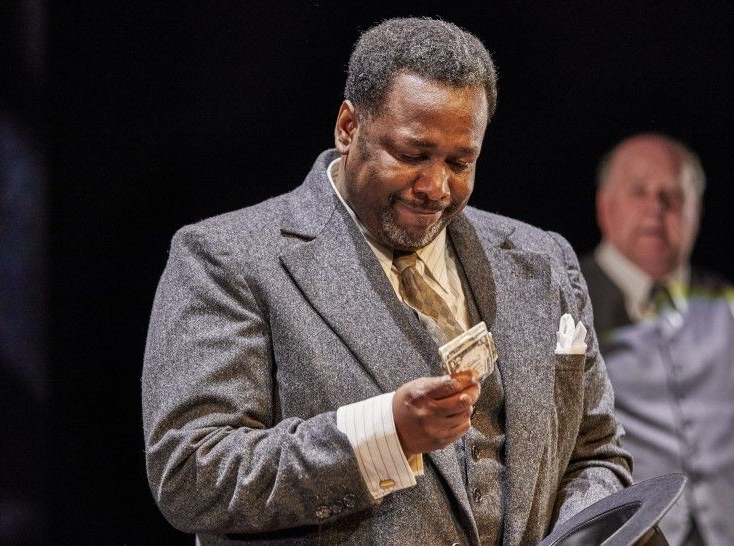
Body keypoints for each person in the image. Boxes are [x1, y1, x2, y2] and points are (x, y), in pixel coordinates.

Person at [142, 18, 632, 545]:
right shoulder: (228, 257)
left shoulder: (542, 258)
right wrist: (383, 435)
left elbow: (597, 454)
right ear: (348, 128)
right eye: (412, 155)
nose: (436, 187)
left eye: (460, 162)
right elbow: (192, 474)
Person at [580, 134, 734, 546]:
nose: (657, 208)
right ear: (604, 206)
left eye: (673, 195)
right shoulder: (569, 301)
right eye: (639, 192)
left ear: (696, 211)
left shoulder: (727, 303)